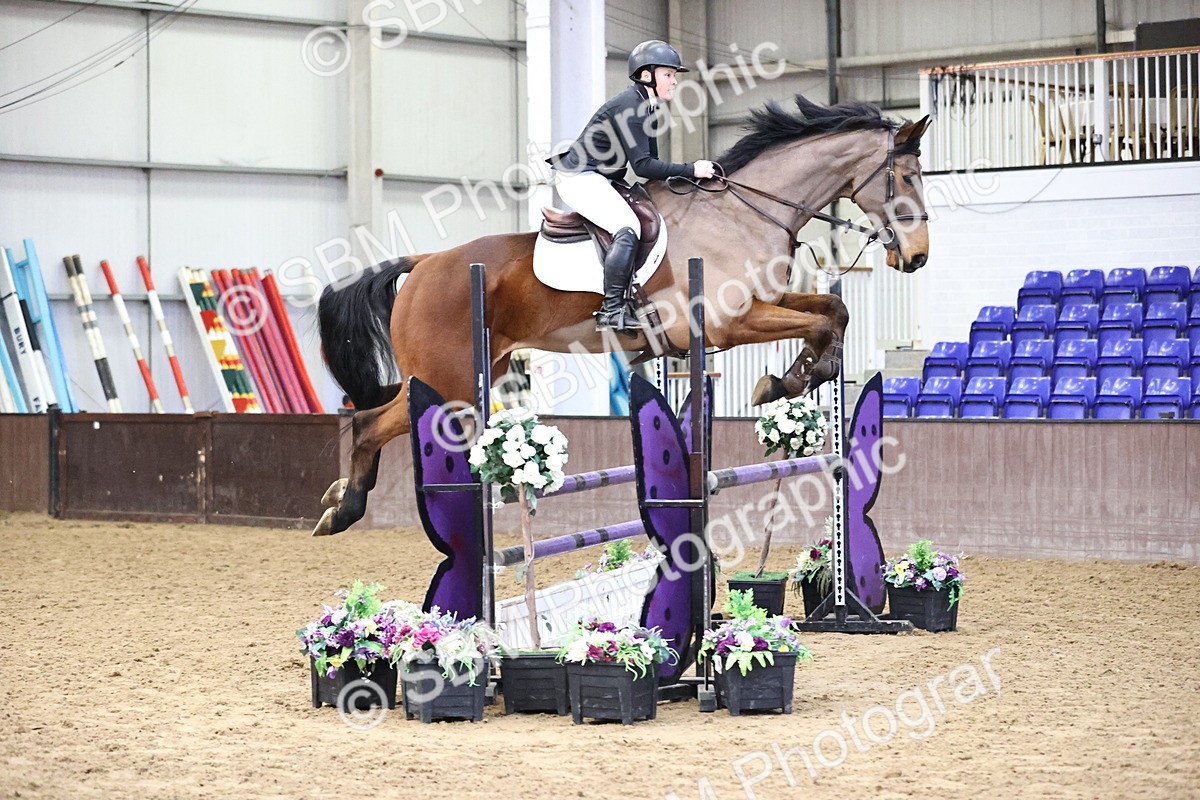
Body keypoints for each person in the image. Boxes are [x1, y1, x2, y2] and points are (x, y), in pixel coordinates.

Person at [549, 40, 716, 334]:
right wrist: (692, 170)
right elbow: (643, 167)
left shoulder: (646, 107)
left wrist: (687, 179)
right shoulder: (633, 106)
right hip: (579, 177)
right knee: (627, 227)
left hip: (601, 177)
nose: (675, 81)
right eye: (668, 75)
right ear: (646, 75)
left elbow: (652, 164)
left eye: (674, 75)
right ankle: (612, 310)